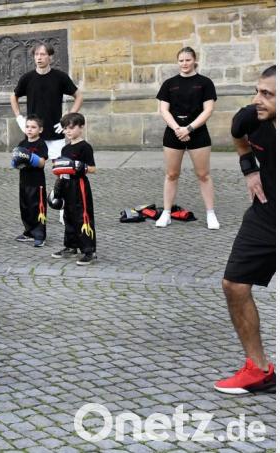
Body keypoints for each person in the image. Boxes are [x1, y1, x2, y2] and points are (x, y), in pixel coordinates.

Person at [214, 65, 276, 394]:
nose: (256, 100)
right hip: (266, 214)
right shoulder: (251, 117)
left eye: (267, 94)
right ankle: (259, 370)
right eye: (256, 91)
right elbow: (238, 135)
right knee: (234, 284)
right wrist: (249, 169)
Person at [155, 46, 219, 229]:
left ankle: (211, 214)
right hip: (173, 133)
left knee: (203, 175)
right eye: (181, 60)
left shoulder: (205, 83)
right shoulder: (169, 83)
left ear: (194, 61)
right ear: (178, 62)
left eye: (188, 60)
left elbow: (208, 110)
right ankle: (166, 213)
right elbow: (163, 110)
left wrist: (189, 128)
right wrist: (177, 128)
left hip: (198, 132)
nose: (184, 63)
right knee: (171, 174)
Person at [10, 41, 83, 161]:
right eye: (36, 54)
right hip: (34, 132)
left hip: (55, 130)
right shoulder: (27, 78)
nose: (39, 57)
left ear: (50, 57)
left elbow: (79, 96)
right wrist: (19, 118)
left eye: (43, 54)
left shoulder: (60, 77)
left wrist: (68, 118)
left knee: (59, 167)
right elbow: (13, 96)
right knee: (33, 166)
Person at [49, 113, 96, 265]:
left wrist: (82, 167)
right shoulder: (65, 149)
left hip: (79, 185)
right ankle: (71, 246)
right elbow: (61, 169)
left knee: (82, 216)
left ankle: (88, 250)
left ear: (81, 127)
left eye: (71, 128)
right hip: (66, 184)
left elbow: (93, 168)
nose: (68, 131)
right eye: (65, 128)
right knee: (68, 215)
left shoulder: (85, 147)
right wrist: (57, 187)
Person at [11, 114, 48, 247]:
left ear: (40, 129)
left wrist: (30, 158)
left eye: (33, 127)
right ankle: (29, 232)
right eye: (27, 127)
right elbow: (17, 161)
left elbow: (42, 163)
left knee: (37, 208)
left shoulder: (41, 144)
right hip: (24, 181)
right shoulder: (22, 144)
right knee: (25, 208)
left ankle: (40, 235)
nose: (30, 129)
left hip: (37, 183)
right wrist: (15, 163)